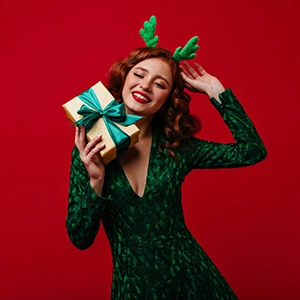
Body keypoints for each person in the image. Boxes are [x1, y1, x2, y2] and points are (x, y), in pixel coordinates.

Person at [66, 39, 267, 299]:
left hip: (194, 279)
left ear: (168, 98)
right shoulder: (90, 145)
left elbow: (252, 150)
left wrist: (215, 91)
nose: (145, 85)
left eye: (160, 83)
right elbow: (80, 238)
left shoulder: (177, 147)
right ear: (124, 77)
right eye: (139, 74)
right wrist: (96, 181)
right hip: (135, 288)